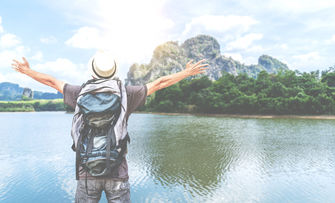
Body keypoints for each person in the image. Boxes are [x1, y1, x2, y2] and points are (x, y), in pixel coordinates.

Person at [11, 52, 209, 203]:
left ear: (92, 71)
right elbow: (160, 83)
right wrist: (186, 72)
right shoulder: (127, 94)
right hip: (117, 173)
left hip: (86, 173)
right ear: (113, 71)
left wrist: (27, 71)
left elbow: (51, 81)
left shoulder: (78, 92)